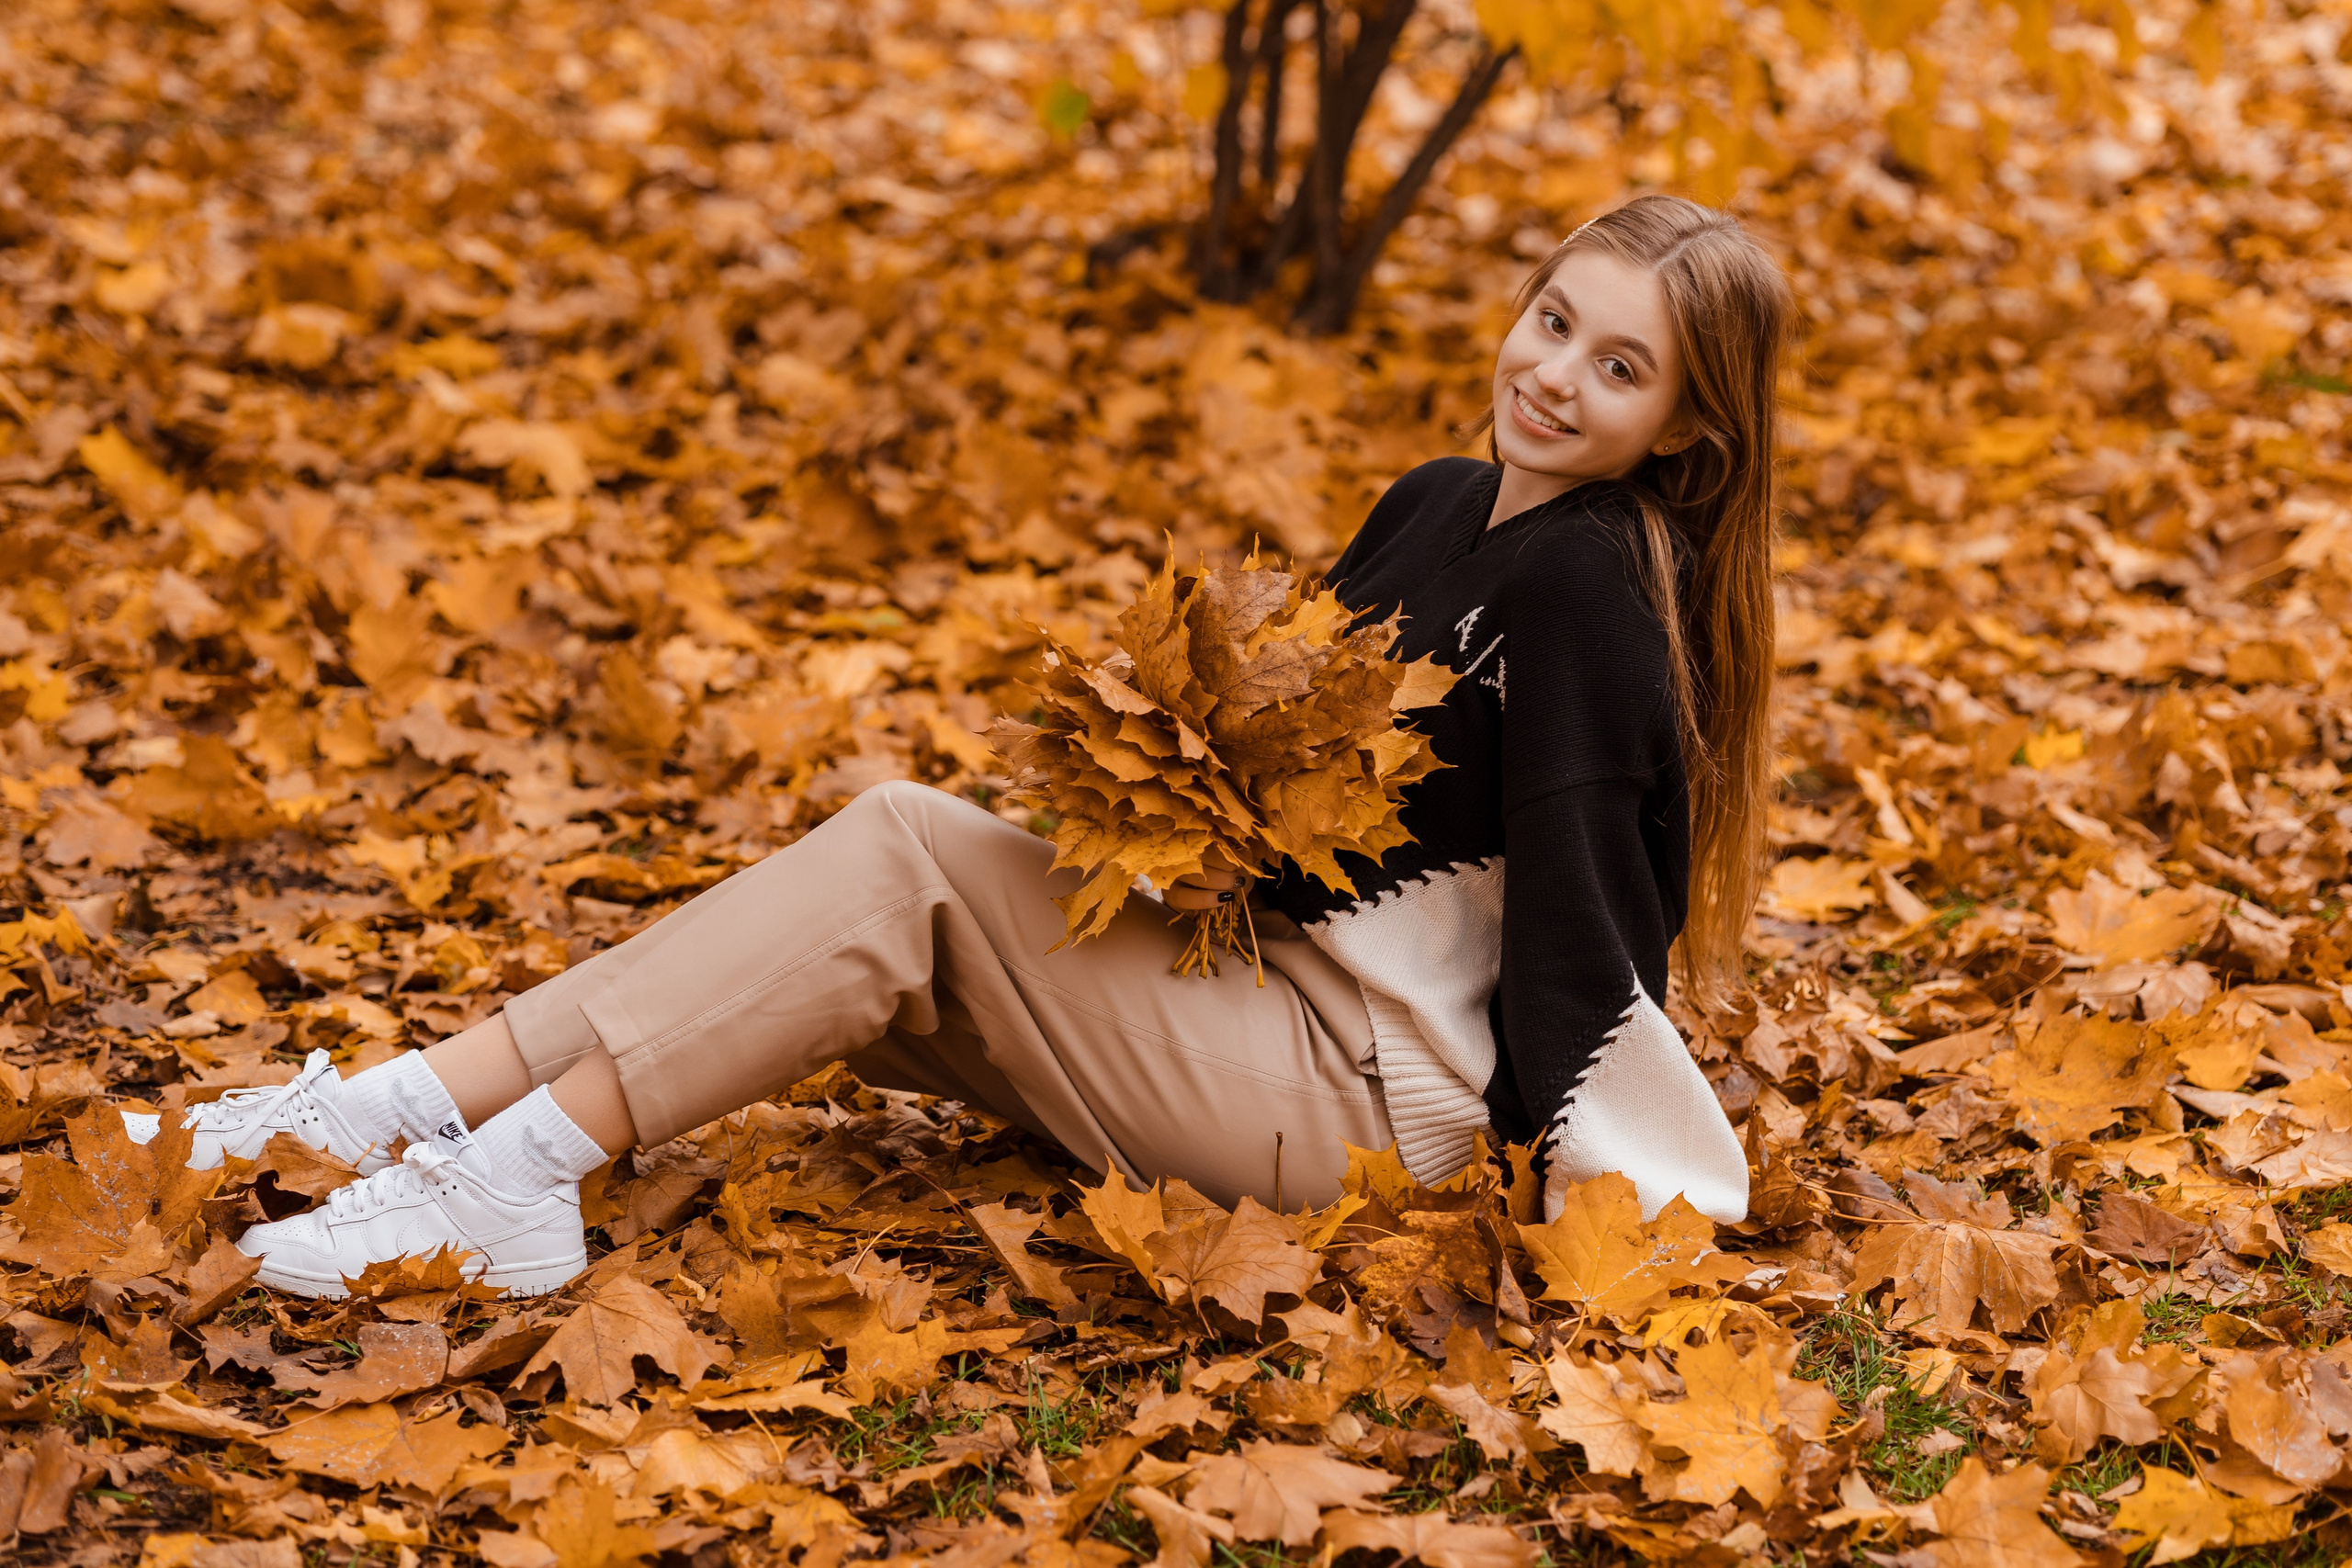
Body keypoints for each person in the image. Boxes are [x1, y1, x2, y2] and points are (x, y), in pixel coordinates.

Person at [127, 194, 1789, 1298]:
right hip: (1251, 1003)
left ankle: (510, 1177)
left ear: (1690, 431)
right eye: (1553, 320)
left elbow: (1590, 913)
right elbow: (1294, 791)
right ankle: (388, 1119)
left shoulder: (1594, 590)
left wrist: (1584, 1209)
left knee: (905, 854)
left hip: (1369, 1101)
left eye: (1620, 367)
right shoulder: (1437, 503)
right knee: (898, 878)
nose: (1557, 376)